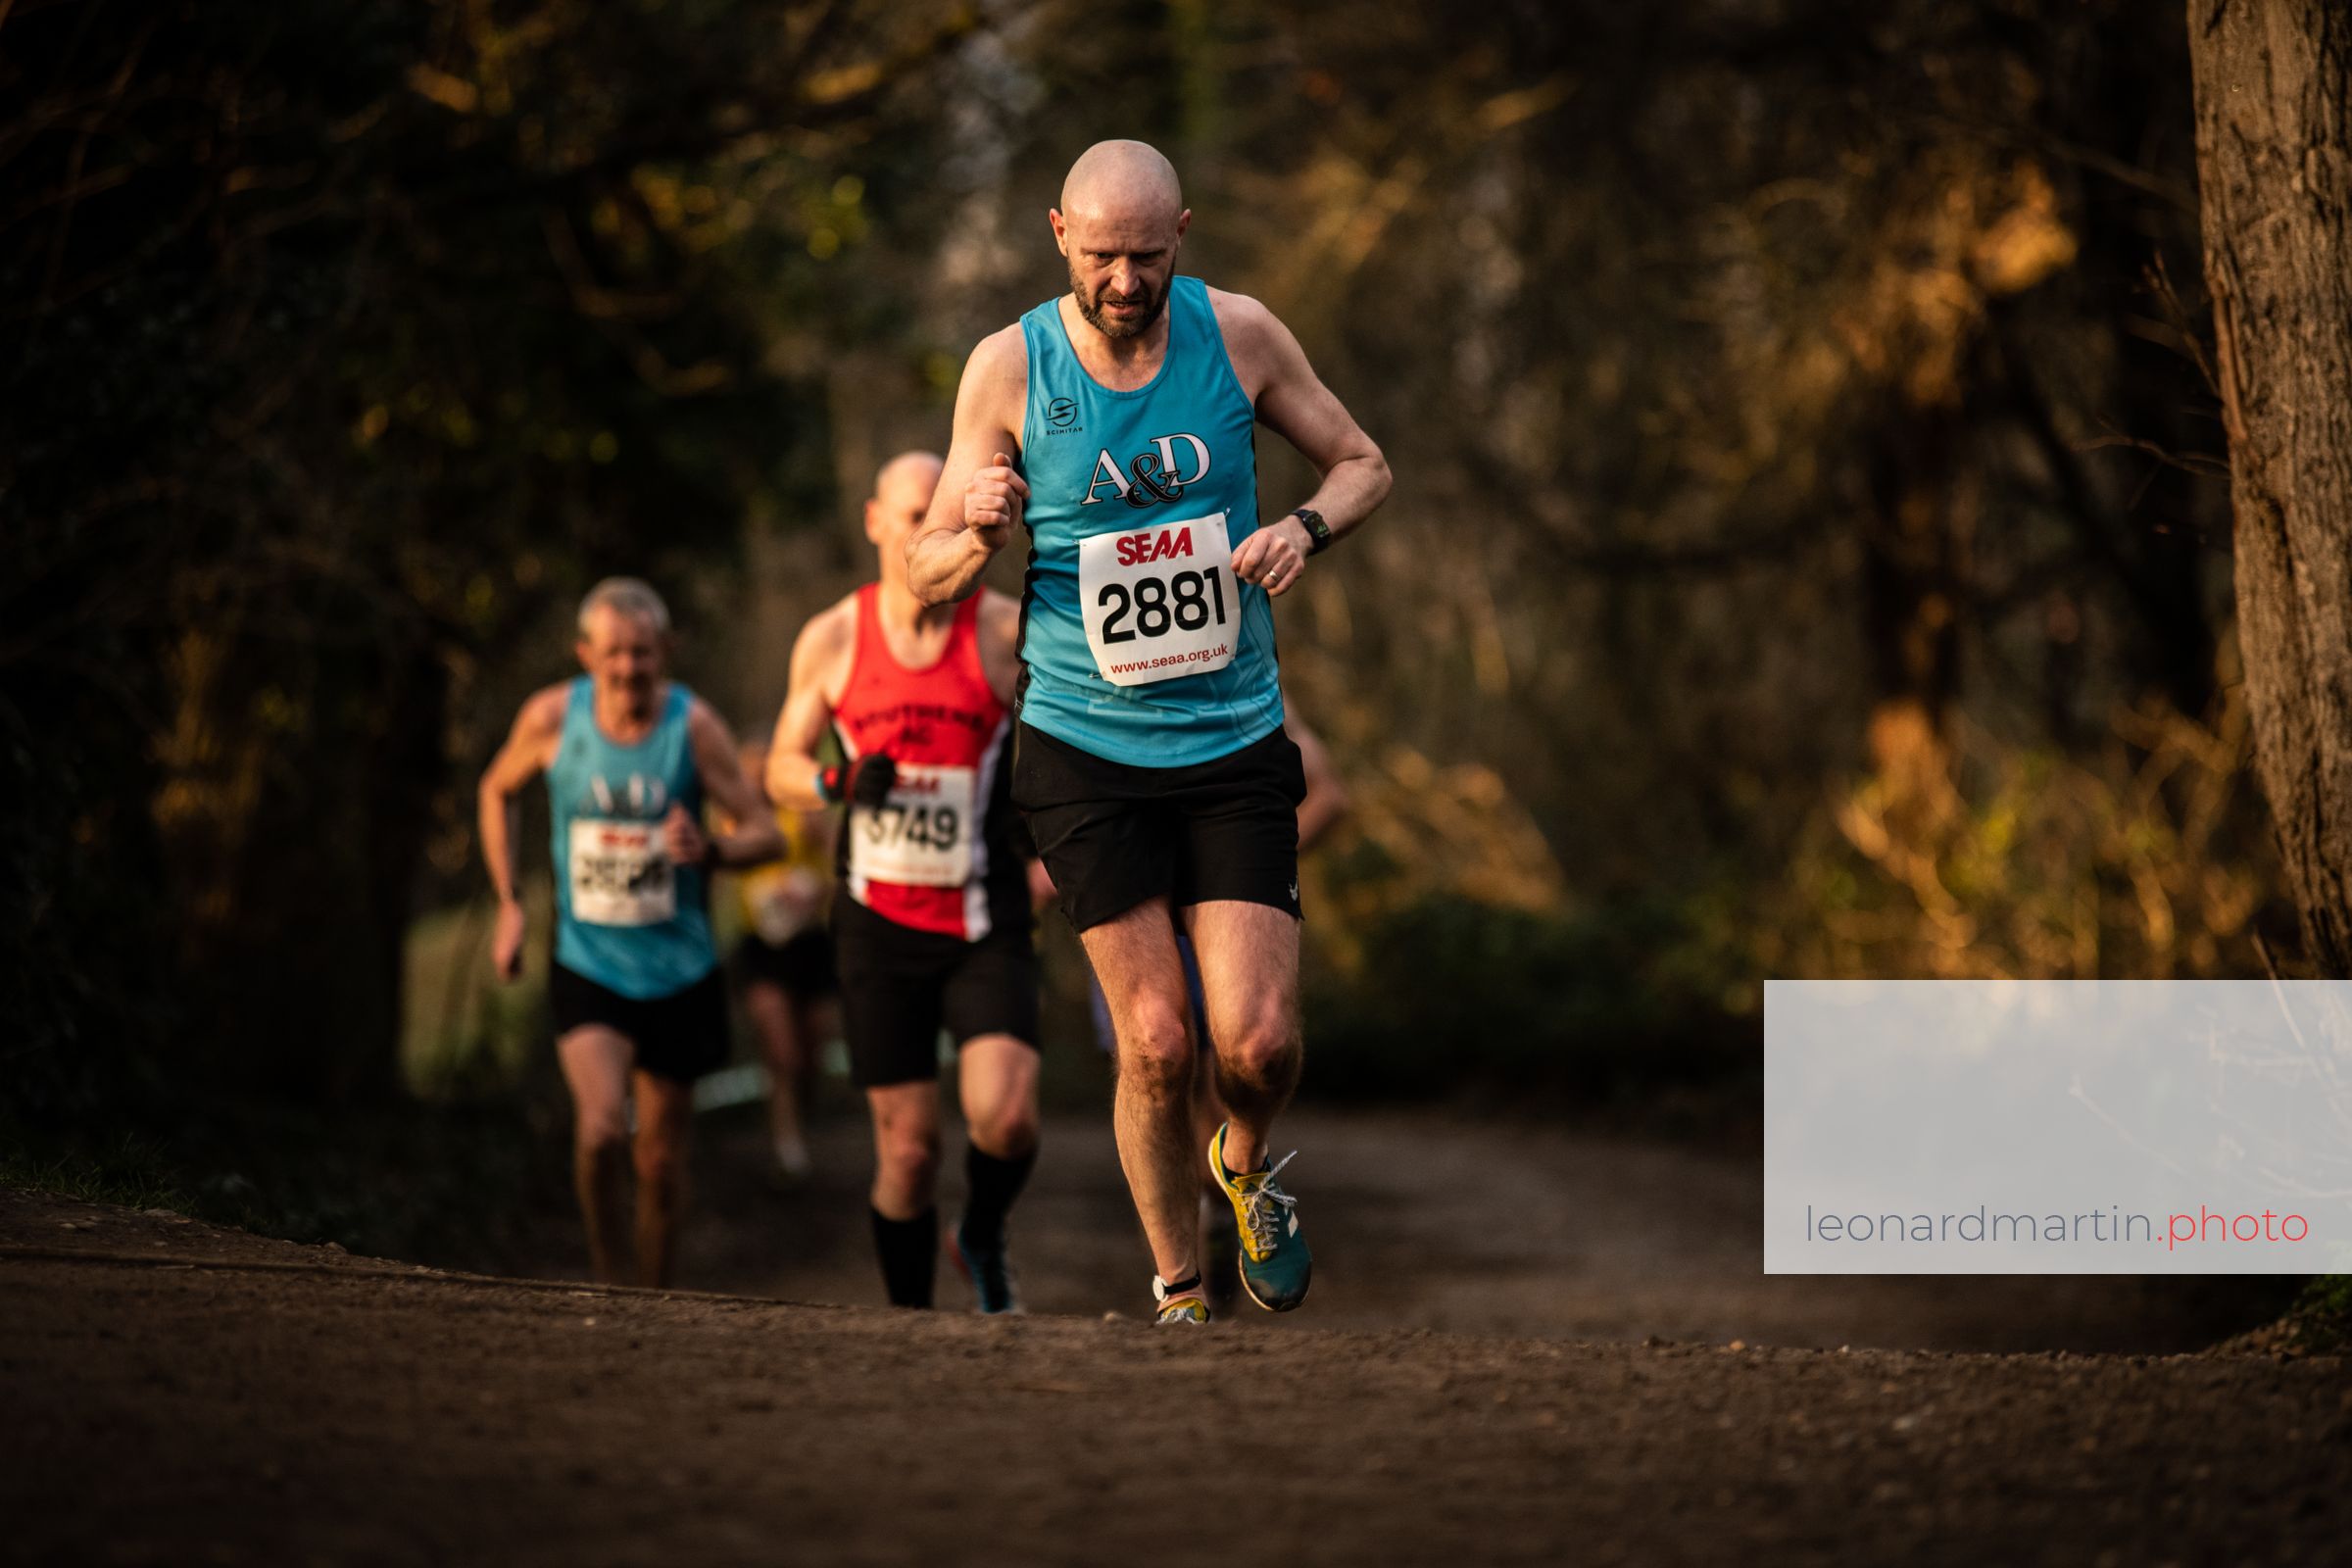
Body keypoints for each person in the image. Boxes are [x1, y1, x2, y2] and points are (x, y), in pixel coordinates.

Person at [906, 140, 1391, 1324]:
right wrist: (975, 532)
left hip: (1232, 735)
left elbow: (1363, 463)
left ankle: (1243, 1162)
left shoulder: (1242, 335)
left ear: (1182, 233)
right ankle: (1180, 1293)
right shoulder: (1007, 367)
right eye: (1101, 256)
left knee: (1257, 1044)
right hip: (1082, 749)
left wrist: (1305, 529)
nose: (1124, 281)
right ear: (1059, 235)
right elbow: (924, 568)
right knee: (1160, 1041)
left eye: (1146, 255)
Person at [766, 452, 1042, 1315]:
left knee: (1008, 1118)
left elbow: (1077, 734)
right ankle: (910, 1329)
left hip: (984, 916)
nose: (931, 525)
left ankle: (982, 1234)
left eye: (944, 508)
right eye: (914, 510)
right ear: (875, 521)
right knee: (910, 1152)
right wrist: (836, 781)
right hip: (877, 926)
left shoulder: (1003, 630)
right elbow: (778, 766)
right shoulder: (833, 638)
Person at [477, 577, 781, 1288]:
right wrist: (509, 902)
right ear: (585, 654)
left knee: (661, 1161)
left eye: (641, 652)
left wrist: (710, 849)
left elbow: (764, 834)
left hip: (680, 969)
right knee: (602, 1131)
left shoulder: (693, 726)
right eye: (613, 652)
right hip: (590, 962)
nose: (627, 668)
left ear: (665, 651)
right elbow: (495, 789)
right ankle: (611, 1280)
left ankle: (654, 1295)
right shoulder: (551, 718)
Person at [1076, 703, 1348, 1312]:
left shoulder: (1240, 688)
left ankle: (1223, 1220)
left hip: (1223, 911)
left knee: (1233, 1071)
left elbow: (1330, 795)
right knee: (1158, 1066)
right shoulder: (1086, 693)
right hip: (1136, 897)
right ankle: (1184, 1275)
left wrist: (1247, 868)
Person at [727, 732, 840, 1182]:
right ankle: (786, 1140)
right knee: (782, 1051)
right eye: (749, 775)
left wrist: (814, 890)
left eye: (763, 773)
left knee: (812, 1051)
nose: (756, 782)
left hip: (811, 944)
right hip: (762, 949)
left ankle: (804, 1114)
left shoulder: (803, 814)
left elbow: (840, 863)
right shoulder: (734, 821)